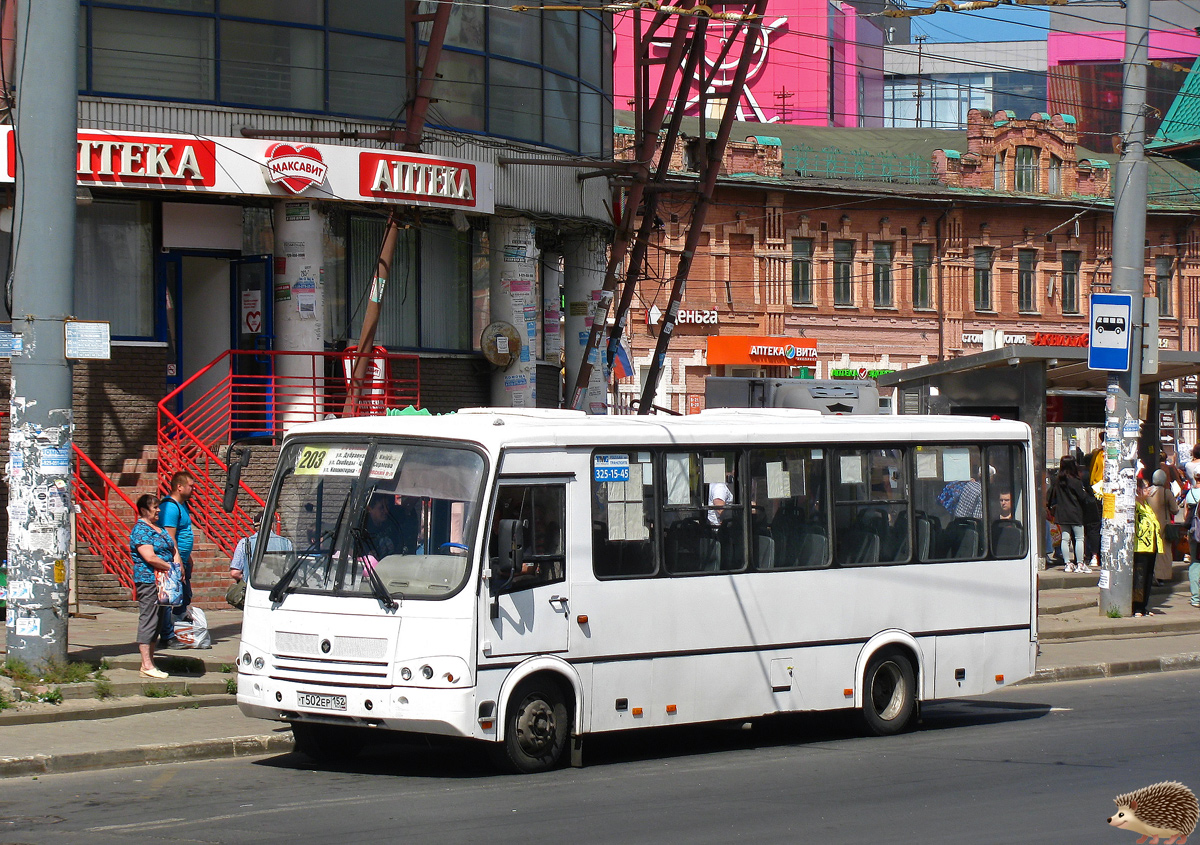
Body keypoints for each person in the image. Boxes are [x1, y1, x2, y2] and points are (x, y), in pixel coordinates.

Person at [129, 494, 175, 679]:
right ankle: (146, 665)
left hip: (164, 582)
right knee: (149, 618)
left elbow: (173, 547)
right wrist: (173, 568)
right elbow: (150, 557)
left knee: (159, 620)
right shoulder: (140, 530)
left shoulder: (159, 528)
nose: (158, 510)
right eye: (154, 507)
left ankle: (150, 662)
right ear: (143, 510)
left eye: (158, 506)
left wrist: (175, 564)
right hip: (149, 581)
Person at [158, 471, 194, 647]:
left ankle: (176, 630)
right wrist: (177, 560)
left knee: (184, 597)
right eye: (190, 486)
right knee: (169, 598)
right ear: (179, 487)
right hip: (173, 562)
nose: (193, 489)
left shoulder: (182, 505)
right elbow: (170, 537)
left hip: (183, 560)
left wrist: (188, 558)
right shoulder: (170, 507)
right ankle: (167, 635)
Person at [1047, 455, 1088, 573]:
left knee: (1065, 539)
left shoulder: (1058, 481)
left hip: (1062, 513)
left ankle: (1067, 564)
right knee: (1079, 538)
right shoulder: (1075, 481)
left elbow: (1051, 495)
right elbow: (1082, 497)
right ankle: (1080, 563)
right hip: (1075, 512)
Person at [230, 511, 293, 583]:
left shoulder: (244, 543)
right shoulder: (286, 543)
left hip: (254, 589)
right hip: (279, 589)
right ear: (272, 525)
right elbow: (290, 569)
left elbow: (234, 573)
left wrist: (246, 578)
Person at [1133, 477, 1163, 617]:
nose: (1148, 490)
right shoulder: (1135, 506)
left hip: (1151, 546)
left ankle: (1144, 606)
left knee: (1148, 577)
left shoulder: (1146, 505)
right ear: (1138, 490)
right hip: (1140, 547)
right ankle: (1137, 607)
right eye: (1145, 488)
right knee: (1140, 577)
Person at [1146, 468, 1180, 583]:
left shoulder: (1147, 492)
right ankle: (1161, 575)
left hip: (1148, 525)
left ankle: (1150, 575)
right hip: (1163, 526)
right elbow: (1174, 510)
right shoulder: (1166, 493)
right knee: (1163, 552)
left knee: (1150, 551)